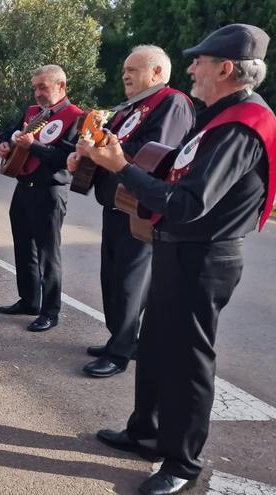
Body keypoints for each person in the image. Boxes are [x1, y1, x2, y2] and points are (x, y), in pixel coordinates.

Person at [79, 24, 274, 495]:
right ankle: (145, 432)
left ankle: (182, 463)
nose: (191, 68)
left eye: (200, 61)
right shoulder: (219, 113)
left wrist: (122, 168)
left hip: (205, 257)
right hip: (177, 247)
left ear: (226, 68)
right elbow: (177, 166)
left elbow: (189, 202)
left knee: (188, 360)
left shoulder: (244, 124)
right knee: (156, 343)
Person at [70, 46, 194, 377]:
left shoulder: (172, 102)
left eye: (133, 69)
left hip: (139, 209)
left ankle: (121, 350)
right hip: (115, 205)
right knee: (112, 278)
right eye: (124, 69)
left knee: (129, 283)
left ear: (156, 73)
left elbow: (158, 154)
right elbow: (106, 147)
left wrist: (102, 151)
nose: (124, 74)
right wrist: (83, 156)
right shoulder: (129, 108)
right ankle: (121, 338)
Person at [0, 65, 83, 332]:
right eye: (35, 87)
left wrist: (34, 146)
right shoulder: (34, 112)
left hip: (50, 191)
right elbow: (10, 131)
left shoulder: (76, 117)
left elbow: (65, 159)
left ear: (61, 86)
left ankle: (50, 311)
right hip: (24, 187)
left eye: (43, 87)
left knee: (47, 254)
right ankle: (29, 300)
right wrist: (2, 144)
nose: (37, 93)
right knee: (23, 248)